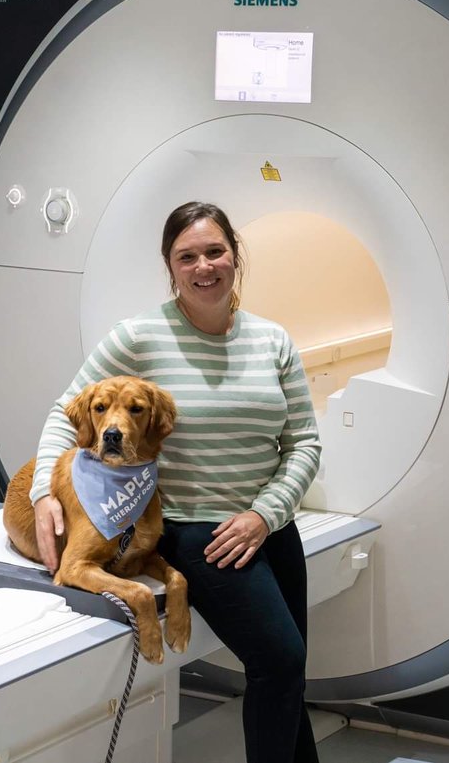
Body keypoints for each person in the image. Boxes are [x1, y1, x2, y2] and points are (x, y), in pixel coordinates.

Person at [29, 201, 322, 763]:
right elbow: (63, 413)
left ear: (235, 256)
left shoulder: (272, 341)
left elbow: (304, 443)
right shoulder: (140, 337)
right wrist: (45, 491)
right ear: (171, 266)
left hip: (270, 526)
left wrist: (266, 513)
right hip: (195, 530)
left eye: (215, 252)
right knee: (279, 662)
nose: (203, 267)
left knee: (291, 669)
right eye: (187, 257)